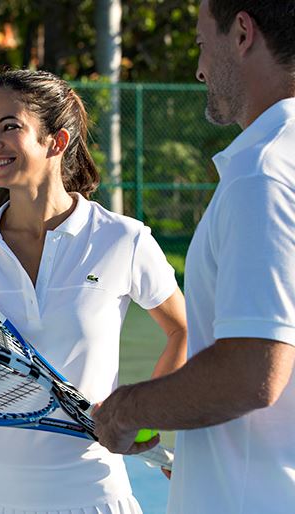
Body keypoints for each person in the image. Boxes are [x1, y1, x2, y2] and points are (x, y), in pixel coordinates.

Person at [0, 69, 188, 514]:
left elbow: (184, 330)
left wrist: (142, 414)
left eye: (9, 127)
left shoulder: (123, 240)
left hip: (92, 494)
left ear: (56, 142)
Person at [92, 1, 295, 512]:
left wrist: (127, 408)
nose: (200, 68)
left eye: (204, 43)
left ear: (243, 33)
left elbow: (252, 373)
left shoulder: (264, 172)